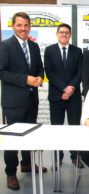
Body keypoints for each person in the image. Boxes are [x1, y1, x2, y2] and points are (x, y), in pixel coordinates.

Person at [0, 12, 46, 190]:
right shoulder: (5, 46)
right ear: (13, 26)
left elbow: (40, 69)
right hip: (13, 102)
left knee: (30, 133)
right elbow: (1, 72)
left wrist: (39, 78)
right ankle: (11, 173)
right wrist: (25, 79)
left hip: (31, 100)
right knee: (12, 140)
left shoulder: (33, 47)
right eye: (20, 25)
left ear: (30, 27)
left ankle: (27, 163)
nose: (23, 28)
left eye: (26, 25)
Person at [44, 23, 84, 168]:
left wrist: (70, 88)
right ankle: (57, 157)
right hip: (56, 96)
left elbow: (80, 73)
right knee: (57, 129)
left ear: (70, 35)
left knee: (74, 128)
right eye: (61, 32)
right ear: (57, 34)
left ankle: (75, 156)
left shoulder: (77, 51)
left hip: (73, 97)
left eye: (67, 33)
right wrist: (63, 89)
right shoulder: (49, 50)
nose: (64, 35)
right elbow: (49, 73)